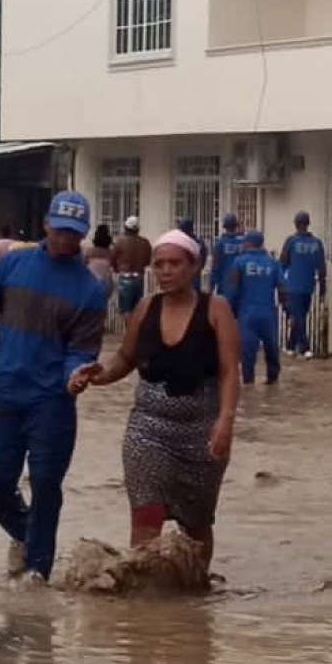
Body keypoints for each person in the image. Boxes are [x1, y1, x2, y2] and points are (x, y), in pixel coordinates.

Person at [0, 191, 107, 584]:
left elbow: (81, 349)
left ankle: (37, 571)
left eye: (74, 233)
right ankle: (28, 535)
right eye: (60, 230)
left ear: (83, 234)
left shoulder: (90, 290)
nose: (65, 239)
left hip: (52, 401)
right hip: (4, 391)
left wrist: (75, 375)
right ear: (46, 225)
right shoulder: (12, 265)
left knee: (46, 483)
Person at [68, 230, 241, 570]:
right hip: (148, 430)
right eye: (159, 264)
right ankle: (145, 595)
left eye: (174, 263)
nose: (165, 271)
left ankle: (194, 589)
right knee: (145, 518)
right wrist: (98, 375)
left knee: (197, 525)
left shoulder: (215, 309)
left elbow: (229, 371)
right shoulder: (146, 307)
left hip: (201, 432)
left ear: (194, 266)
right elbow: (126, 358)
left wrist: (225, 420)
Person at [226, 231, 285, 385]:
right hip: (268, 313)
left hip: (247, 314)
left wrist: (230, 311)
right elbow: (282, 288)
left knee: (248, 351)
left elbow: (233, 289)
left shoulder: (239, 262)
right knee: (271, 348)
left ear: (248, 243)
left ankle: (248, 384)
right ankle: (273, 381)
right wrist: (287, 308)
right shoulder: (273, 263)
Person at [279, 211, 327, 359]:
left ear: (296, 224)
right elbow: (322, 267)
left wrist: (280, 285)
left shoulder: (291, 241)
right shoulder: (317, 243)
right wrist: (322, 286)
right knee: (300, 316)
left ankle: (304, 348)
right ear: (308, 224)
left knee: (298, 317)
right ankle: (291, 346)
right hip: (308, 286)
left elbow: (282, 263)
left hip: (293, 285)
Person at [112, 216, 152, 328]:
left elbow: (112, 258)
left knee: (126, 310)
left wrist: (116, 269)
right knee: (137, 309)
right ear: (138, 229)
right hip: (139, 278)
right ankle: (135, 332)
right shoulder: (145, 242)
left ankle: (130, 333)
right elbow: (148, 261)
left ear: (126, 228)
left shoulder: (120, 241)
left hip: (125, 278)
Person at [210, 213, 246, 295]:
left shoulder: (220, 244)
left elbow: (215, 267)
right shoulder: (243, 243)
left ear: (224, 227)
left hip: (224, 285)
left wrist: (211, 286)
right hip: (240, 285)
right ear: (235, 226)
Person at [177, 218, 209, 292]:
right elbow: (203, 259)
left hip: (184, 278)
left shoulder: (180, 243)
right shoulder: (199, 242)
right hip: (195, 277)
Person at [86, 224, 116, 300]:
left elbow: (83, 266)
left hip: (91, 282)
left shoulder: (89, 252)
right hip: (106, 282)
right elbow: (115, 267)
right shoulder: (110, 253)